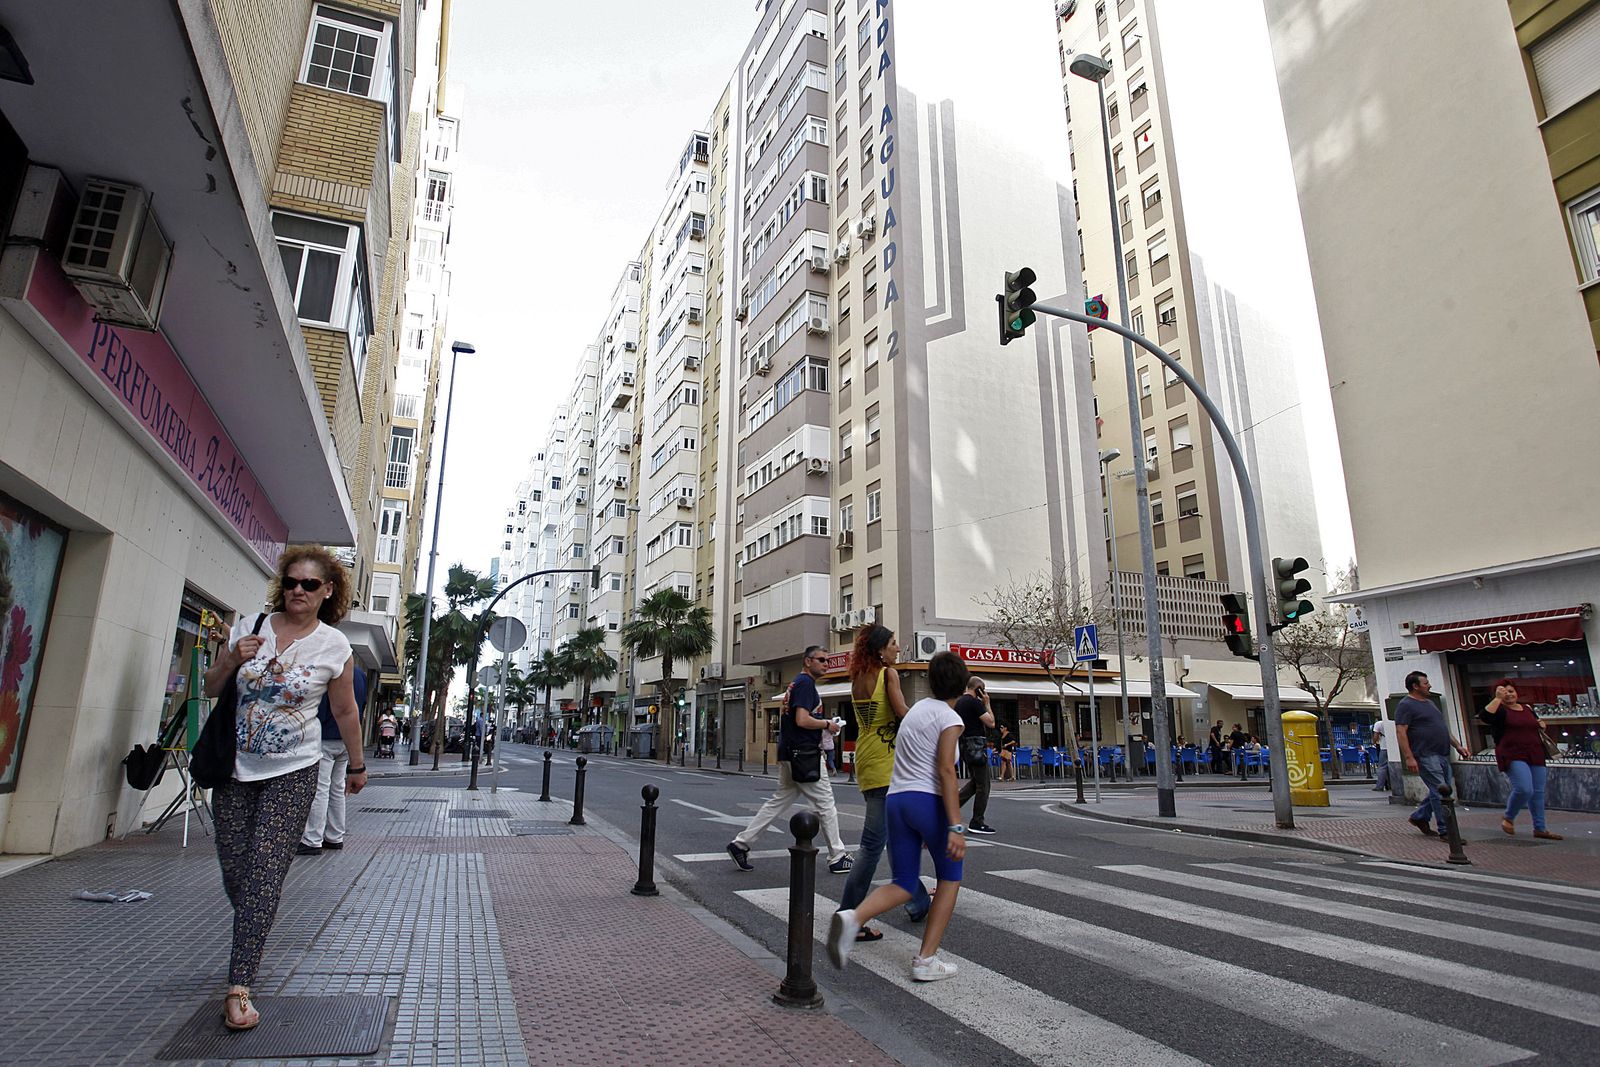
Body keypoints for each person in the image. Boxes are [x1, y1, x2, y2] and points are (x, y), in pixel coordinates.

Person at [202, 546, 366, 1032]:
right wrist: (232, 657)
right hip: (234, 768)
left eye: (310, 585)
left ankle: (239, 986)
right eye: (292, 582)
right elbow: (211, 687)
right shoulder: (249, 626)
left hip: (294, 772)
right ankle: (255, 922)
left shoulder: (335, 646)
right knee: (238, 874)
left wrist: (356, 765)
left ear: (328, 591)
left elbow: (344, 712)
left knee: (265, 874)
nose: (298, 590)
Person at [828, 650, 971, 983]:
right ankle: (925, 960)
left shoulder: (918, 709)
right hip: (927, 801)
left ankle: (852, 918)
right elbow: (947, 771)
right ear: (962, 685)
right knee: (950, 877)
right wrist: (956, 826)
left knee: (905, 882)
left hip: (896, 799)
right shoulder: (950, 719)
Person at [835, 626, 931, 937]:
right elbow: (903, 712)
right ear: (880, 649)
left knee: (894, 834)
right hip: (886, 763)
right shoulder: (887, 675)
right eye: (892, 643)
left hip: (866, 756)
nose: (898, 648)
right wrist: (933, 716)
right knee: (872, 845)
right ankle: (848, 916)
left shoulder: (858, 677)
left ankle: (916, 900)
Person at [727, 646, 853, 874]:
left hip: (789, 752)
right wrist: (827, 724)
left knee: (778, 802)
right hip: (804, 755)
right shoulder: (805, 684)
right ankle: (838, 855)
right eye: (821, 660)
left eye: (827, 660)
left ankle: (741, 844)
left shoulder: (796, 684)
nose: (826, 664)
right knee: (826, 804)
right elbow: (803, 720)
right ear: (807, 661)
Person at [1480, 680, 1563, 840]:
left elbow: (1535, 724)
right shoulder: (1500, 710)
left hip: (1535, 752)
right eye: (1505, 692)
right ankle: (1509, 817)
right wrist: (1497, 699)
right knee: (1524, 789)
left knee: (1538, 792)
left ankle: (1540, 828)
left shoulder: (1527, 709)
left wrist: (1541, 725)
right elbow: (1485, 716)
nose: (1509, 694)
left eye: (1511, 691)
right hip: (1512, 753)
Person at [298, 664, 367, 854]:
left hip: (326, 735)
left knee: (321, 787)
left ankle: (312, 839)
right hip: (347, 738)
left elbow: (324, 707)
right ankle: (335, 835)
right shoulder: (360, 675)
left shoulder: (333, 670)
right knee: (337, 787)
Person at [1394, 671, 1472, 838]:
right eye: (1425, 683)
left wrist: (1457, 745)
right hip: (1425, 754)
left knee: (1443, 790)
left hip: (1442, 753)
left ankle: (1420, 816)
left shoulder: (1430, 703)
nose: (1429, 685)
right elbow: (1401, 731)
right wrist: (1409, 757)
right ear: (1415, 686)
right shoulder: (1405, 705)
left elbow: (1442, 727)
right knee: (1440, 792)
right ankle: (1447, 831)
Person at [956, 677, 997, 834]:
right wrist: (987, 703)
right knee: (984, 785)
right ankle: (977, 821)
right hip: (976, 747)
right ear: (979, 689)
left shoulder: (959, 702)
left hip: (964, 745)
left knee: (976, 783)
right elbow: (991, 722)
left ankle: (948, 809)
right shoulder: (974, 703)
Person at [1369, 717, 1391, 791]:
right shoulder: (1393, 722)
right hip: (1394, 748)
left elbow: (1375, 737)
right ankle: (1391, 785)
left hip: (1384, 747)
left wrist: (1373, 742)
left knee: (1382, 767)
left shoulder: (1378, 724)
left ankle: (1380, 786)